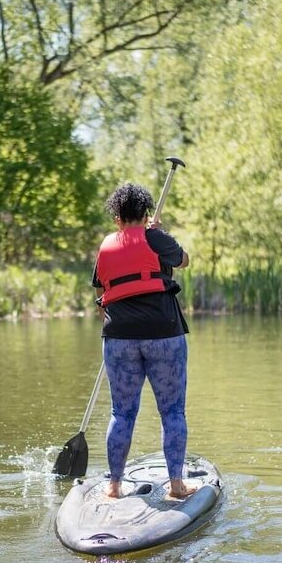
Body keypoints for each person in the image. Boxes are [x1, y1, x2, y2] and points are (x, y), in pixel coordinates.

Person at [91, 182, 194, 500]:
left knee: (121, 413)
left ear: (117, 218)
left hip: (119, 336)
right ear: (146, 212)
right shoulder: (156, 238)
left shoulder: (106, 245)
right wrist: (160, 236)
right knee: (172, 411)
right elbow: (184, 260)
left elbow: (100, 292)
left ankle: (114, 486)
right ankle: (176, 486)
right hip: (164, 334)